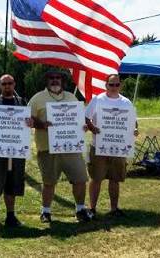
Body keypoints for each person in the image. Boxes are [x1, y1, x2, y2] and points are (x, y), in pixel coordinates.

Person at [28, 70, 92, 224]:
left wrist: (83, 126)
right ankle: (46, 212)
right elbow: (27, 118)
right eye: (51, 78)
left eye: (58, 78)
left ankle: (80, 209)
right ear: (46, 80)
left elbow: (79, 117)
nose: (55, 81)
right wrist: (41, 124)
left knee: (80, 179)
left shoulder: (71, 96)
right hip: (47, 148)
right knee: (49, 182)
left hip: (71, 147)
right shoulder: (37, 98)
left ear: (63, 81)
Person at [0, 74, 33, 232]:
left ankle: (10, 215)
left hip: (16, 152)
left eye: (10, 83)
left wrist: (29, 122)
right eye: (4, 83)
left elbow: (26, 123)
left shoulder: (21, 102)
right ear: (0, 85)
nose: (7, 86)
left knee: (13, 184)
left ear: (14, 84)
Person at [85, 74, 139, 218]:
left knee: (115, 179)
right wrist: (92, 128)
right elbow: (86, 117)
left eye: (116, 85)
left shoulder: (126, 102)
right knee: (96, 178)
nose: (114, 87)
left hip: (119, 148)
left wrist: (134, 129)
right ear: (106, 85)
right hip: (99, 146)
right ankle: (92, 208)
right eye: (111, 85)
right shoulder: (97, 100)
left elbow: (133, 121)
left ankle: (114, 209)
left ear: (120, 85)